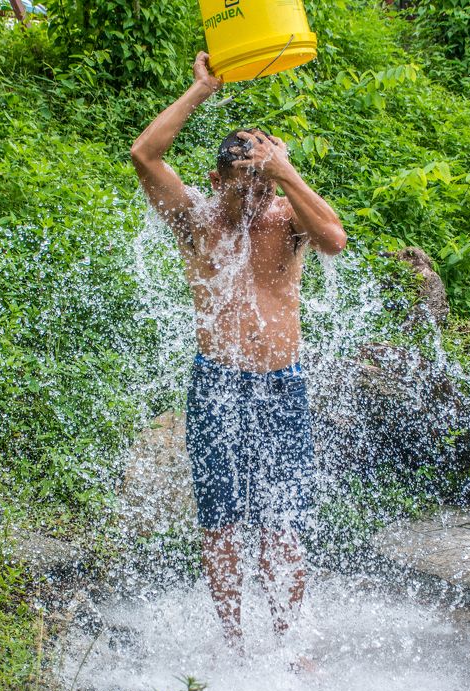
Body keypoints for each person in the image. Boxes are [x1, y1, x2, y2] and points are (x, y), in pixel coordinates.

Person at [130, 51, 347, 654]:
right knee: (221, 525)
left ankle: (288, 644)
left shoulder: (287, 216)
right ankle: (232, 644)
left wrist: (287, 174)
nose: (255, 198)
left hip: (282, 382)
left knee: (283, 524)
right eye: (245, 183)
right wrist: (201, 89)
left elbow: (333, 240)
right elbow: (144, 155)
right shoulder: (196, 218)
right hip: (217, 383)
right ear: (220, 179)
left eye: (264, 183)